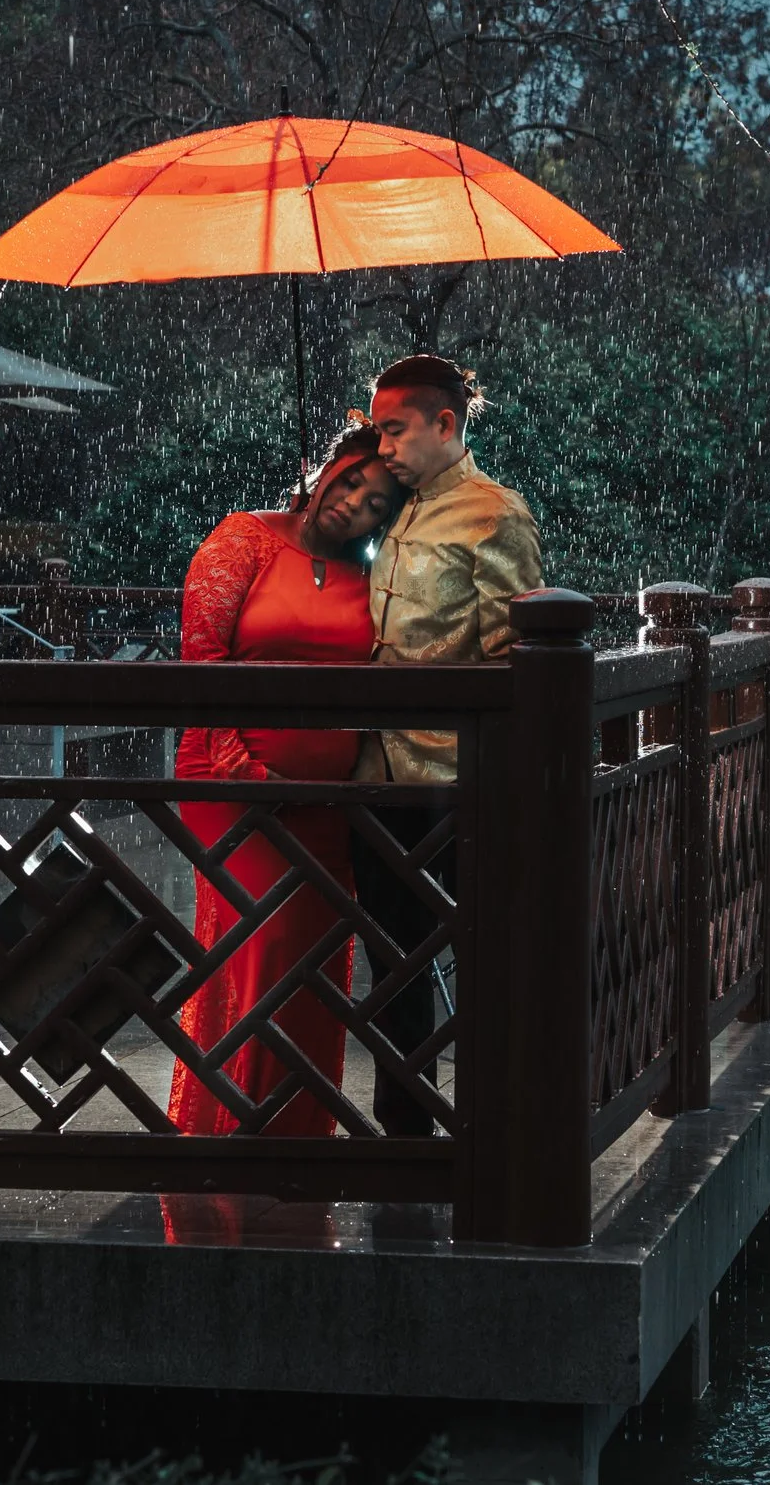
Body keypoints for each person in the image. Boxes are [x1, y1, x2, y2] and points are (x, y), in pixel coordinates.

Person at [168, 427, 403, 1137]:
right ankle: (243, 1130)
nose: (356, 502)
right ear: (326, 468)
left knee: (317, 955)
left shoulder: (377, 578)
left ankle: (298, 1135)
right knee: (268, 939)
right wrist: (246, 772)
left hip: (331, 804)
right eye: (353, 480)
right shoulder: (245, 539)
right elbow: (201, 656)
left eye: (376, 503)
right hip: (229, 778)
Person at [352, 353, 543, 1136]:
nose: (383, 446)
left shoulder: (496, 513)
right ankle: (405, 1121)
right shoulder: (392, 507)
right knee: (392, 957)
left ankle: (503, 1122)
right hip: (378, 772)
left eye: (394, 430)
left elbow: (517, 652)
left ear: (445, 424)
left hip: (460, 773)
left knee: (483, 952)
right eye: (376, 431)